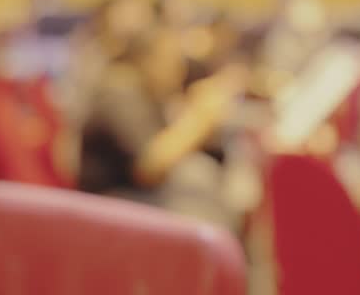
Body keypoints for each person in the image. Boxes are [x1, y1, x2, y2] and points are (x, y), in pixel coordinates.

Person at [78, 26, 248, 230]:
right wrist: (200, 117)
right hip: (110, 206)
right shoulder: (119, 95)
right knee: (202, 209)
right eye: (173, 62)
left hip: (137, 197)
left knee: (206, 179)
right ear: (146, 61)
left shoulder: (147, 94)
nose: (180, 71)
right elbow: (149, 167)